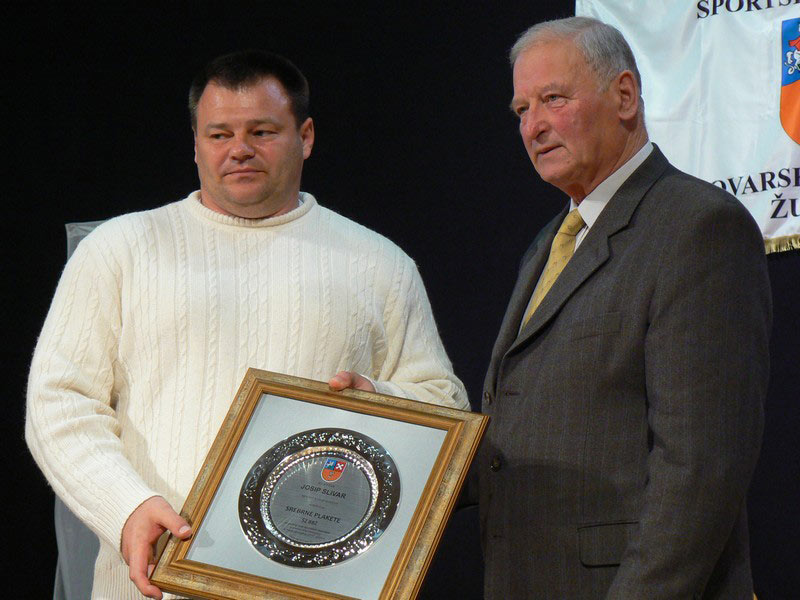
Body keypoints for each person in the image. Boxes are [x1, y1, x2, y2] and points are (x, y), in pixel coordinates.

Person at [26, 50, 468, 600]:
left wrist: (380, 403)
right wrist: (127, 507)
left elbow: (442, 404)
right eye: (219, 134)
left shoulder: (380, 264)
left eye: (261, 131)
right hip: (152, 583)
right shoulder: (120, 249)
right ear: (195, 144)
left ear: (305, 136)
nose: (239, 149)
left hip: (312, 587)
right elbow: (60, 401)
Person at [478, 17, 771, 599]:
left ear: (625, 96)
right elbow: (520, 431)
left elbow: (699, 469)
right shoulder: (549, 243)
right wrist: (388, 426)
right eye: (521, 110)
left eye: (553, 99)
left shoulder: (698, 227)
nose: (533, 126)